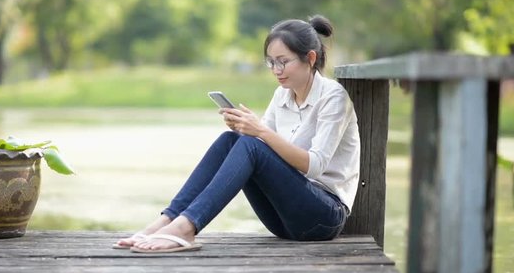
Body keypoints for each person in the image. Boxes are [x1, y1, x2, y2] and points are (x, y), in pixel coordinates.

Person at [114, 14, 360, 253]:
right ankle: (167, 220)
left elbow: (314, 165)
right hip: (282, 219)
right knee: (232, 140)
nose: (276, 69)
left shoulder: (333, 97)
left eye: (283, 61)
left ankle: (186, 227)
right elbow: (264, 150)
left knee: (250, 144)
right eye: (271, 62)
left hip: (323, 217)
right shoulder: (282, 95)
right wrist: (246, 129)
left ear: (310, 57)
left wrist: (259, 130)